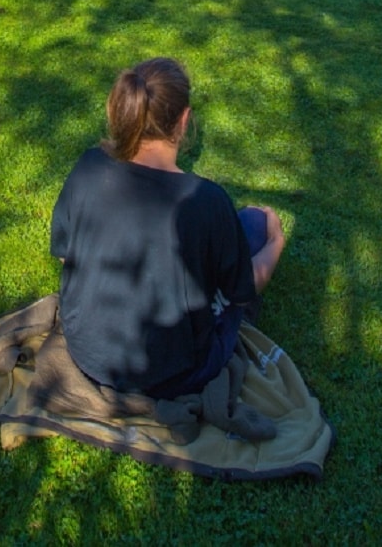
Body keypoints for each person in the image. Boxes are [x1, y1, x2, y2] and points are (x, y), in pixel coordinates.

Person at [50, 58, 286, 398]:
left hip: (86, 352)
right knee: (254, 223)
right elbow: (243, 289)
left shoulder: (89, 167)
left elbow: (64, 256)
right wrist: (276, 240)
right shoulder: (205, 201)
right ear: (184, 119)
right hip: (174, 373)